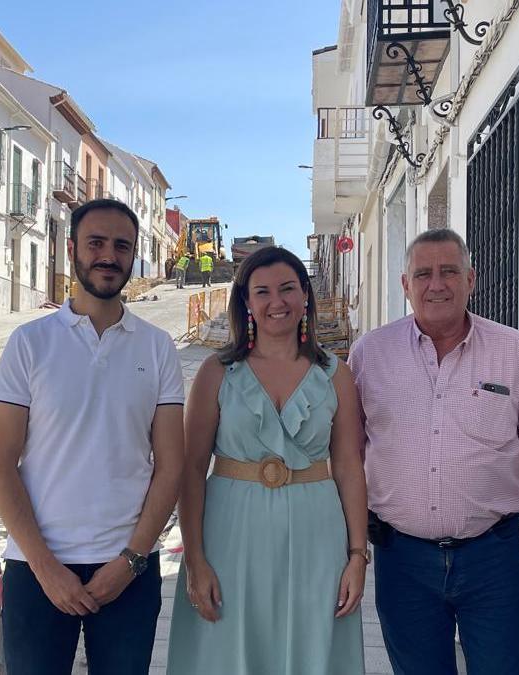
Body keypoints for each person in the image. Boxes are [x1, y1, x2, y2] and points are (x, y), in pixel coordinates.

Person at [348, 228, 519, 675]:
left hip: (492, 560)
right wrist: (352, 549)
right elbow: (347, 457)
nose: (437, 284)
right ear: (405, 285)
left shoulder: (513, 352)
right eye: (424, 274)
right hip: (403, 562)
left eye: (449, 271)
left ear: (470, 279)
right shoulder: (369, 355)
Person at [0, 198, 186, 675]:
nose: (109, 256)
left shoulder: (158, 348)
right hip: (36, 570)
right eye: (96, 242)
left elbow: (172, 466)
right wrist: (45, 568)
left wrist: (132, 559)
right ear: (72, 247)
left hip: (129, 570)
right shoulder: (29, 344)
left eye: (122, 246)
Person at [168, 246, 368, 674]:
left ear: (305, 297)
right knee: (229, 649)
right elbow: (191, 471)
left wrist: (356, 555)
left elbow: (350, 466)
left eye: (287, 289)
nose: (276, 302)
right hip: (230, 535)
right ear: (247, 303)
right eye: (262, 292)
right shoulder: (216, 373)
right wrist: (196, 559)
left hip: (318, 534)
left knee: (311, 646)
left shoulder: (337, 375)